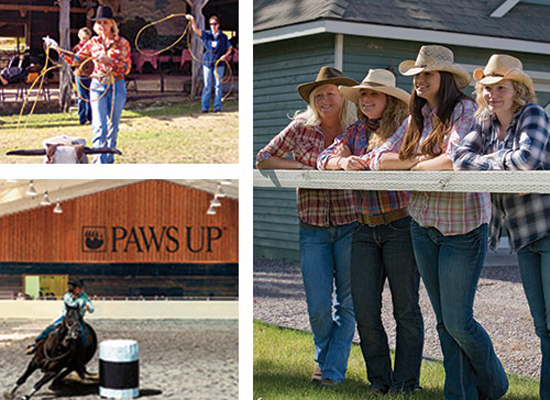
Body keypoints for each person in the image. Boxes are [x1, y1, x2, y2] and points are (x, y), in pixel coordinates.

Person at [365, 45, 509, 399]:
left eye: (426, 74)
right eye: (416, 75)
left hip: (463, 227)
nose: (418, 81)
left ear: (443, 78)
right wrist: (422, 160)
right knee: (445, 321)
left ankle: (495, 384)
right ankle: (458, 394)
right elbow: (380, 159)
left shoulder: (465, 110)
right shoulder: (418, 116)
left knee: (459, 321)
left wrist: (413, 162)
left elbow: (454, 161)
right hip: (423, 224)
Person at [318, 68, 424, 395]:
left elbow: (390, 160)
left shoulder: (405, 129)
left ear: (389, 99)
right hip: (363, 228)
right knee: (365, 310)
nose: (366, 99)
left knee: (405, 309)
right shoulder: (353, 132)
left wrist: (357, 158)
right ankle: (379, 381)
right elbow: (324, 156)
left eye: (373, 94)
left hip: (400, 226)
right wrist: (341, 163)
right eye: (363, 94)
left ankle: (405, 384)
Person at [454, 54, 550, 399]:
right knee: (542, 327)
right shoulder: (485, 122)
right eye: (488, 88)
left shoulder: (533, 115)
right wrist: (502, 168)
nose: (493, 94)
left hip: (548, 227)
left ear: (517, 90)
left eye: (500, 88)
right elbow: (460, 161)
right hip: (523, 233)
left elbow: (526, 163)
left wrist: (492, 165)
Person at [256, 66, 358, 386]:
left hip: (350, 224)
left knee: (348, 303)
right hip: (311, 226)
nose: (324, 99)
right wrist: (300, 166)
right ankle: (325, 361)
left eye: (330, 93)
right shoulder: (300, 128)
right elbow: (264, 158)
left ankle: (329, 371)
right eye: (319, 95)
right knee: (317, 307)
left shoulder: (357, 130)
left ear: (342, 96)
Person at [48, 5, 131, 163]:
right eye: (99, 23)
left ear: (112, 24)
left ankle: (108, 160)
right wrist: (58, 49)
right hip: (97, 85)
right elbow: (76, 59)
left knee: (112, 127)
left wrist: (110, 61)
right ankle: (99, 163)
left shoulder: (122, 43)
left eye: (105, 23)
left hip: (116, 85)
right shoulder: (92, 43)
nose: (102, 26)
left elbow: (126, 68)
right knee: (99, 125)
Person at [26, 279, 94, 355]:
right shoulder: (67, 296)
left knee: (82, 334)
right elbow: (71, 306)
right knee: (51, 328)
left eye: (81, 288)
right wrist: (78, 302)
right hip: (66, 317)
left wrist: (89, 308)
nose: (80, 290)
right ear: (74, 288)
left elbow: (92, 309)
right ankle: (36, 344)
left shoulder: (84, 297)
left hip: (78, 318)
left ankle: (84, 352)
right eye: (78, 288)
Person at [186, 14, 232, 113]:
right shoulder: (207, 34)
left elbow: (229, 48)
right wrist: (192, 20)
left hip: (219, 63)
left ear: (218, 25)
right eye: (211, 24)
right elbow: (196, 30)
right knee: (207, 85)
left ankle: (217, 107)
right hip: (207, 62)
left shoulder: (223, 37)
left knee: (218, 85)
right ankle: (205, 108)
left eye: (214, 24)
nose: (213, 26)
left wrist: (225, 56)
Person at [73, 27, 93, 125]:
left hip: (90, 74)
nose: (85, 40)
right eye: (84, 38)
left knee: (91, 97)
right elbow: (72, 61)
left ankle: (91, 118)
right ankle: (82, 118)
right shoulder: (76, 49)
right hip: (79, 74)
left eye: (87, 38)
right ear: (80, 37)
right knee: (81, 97)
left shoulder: (92, 48)